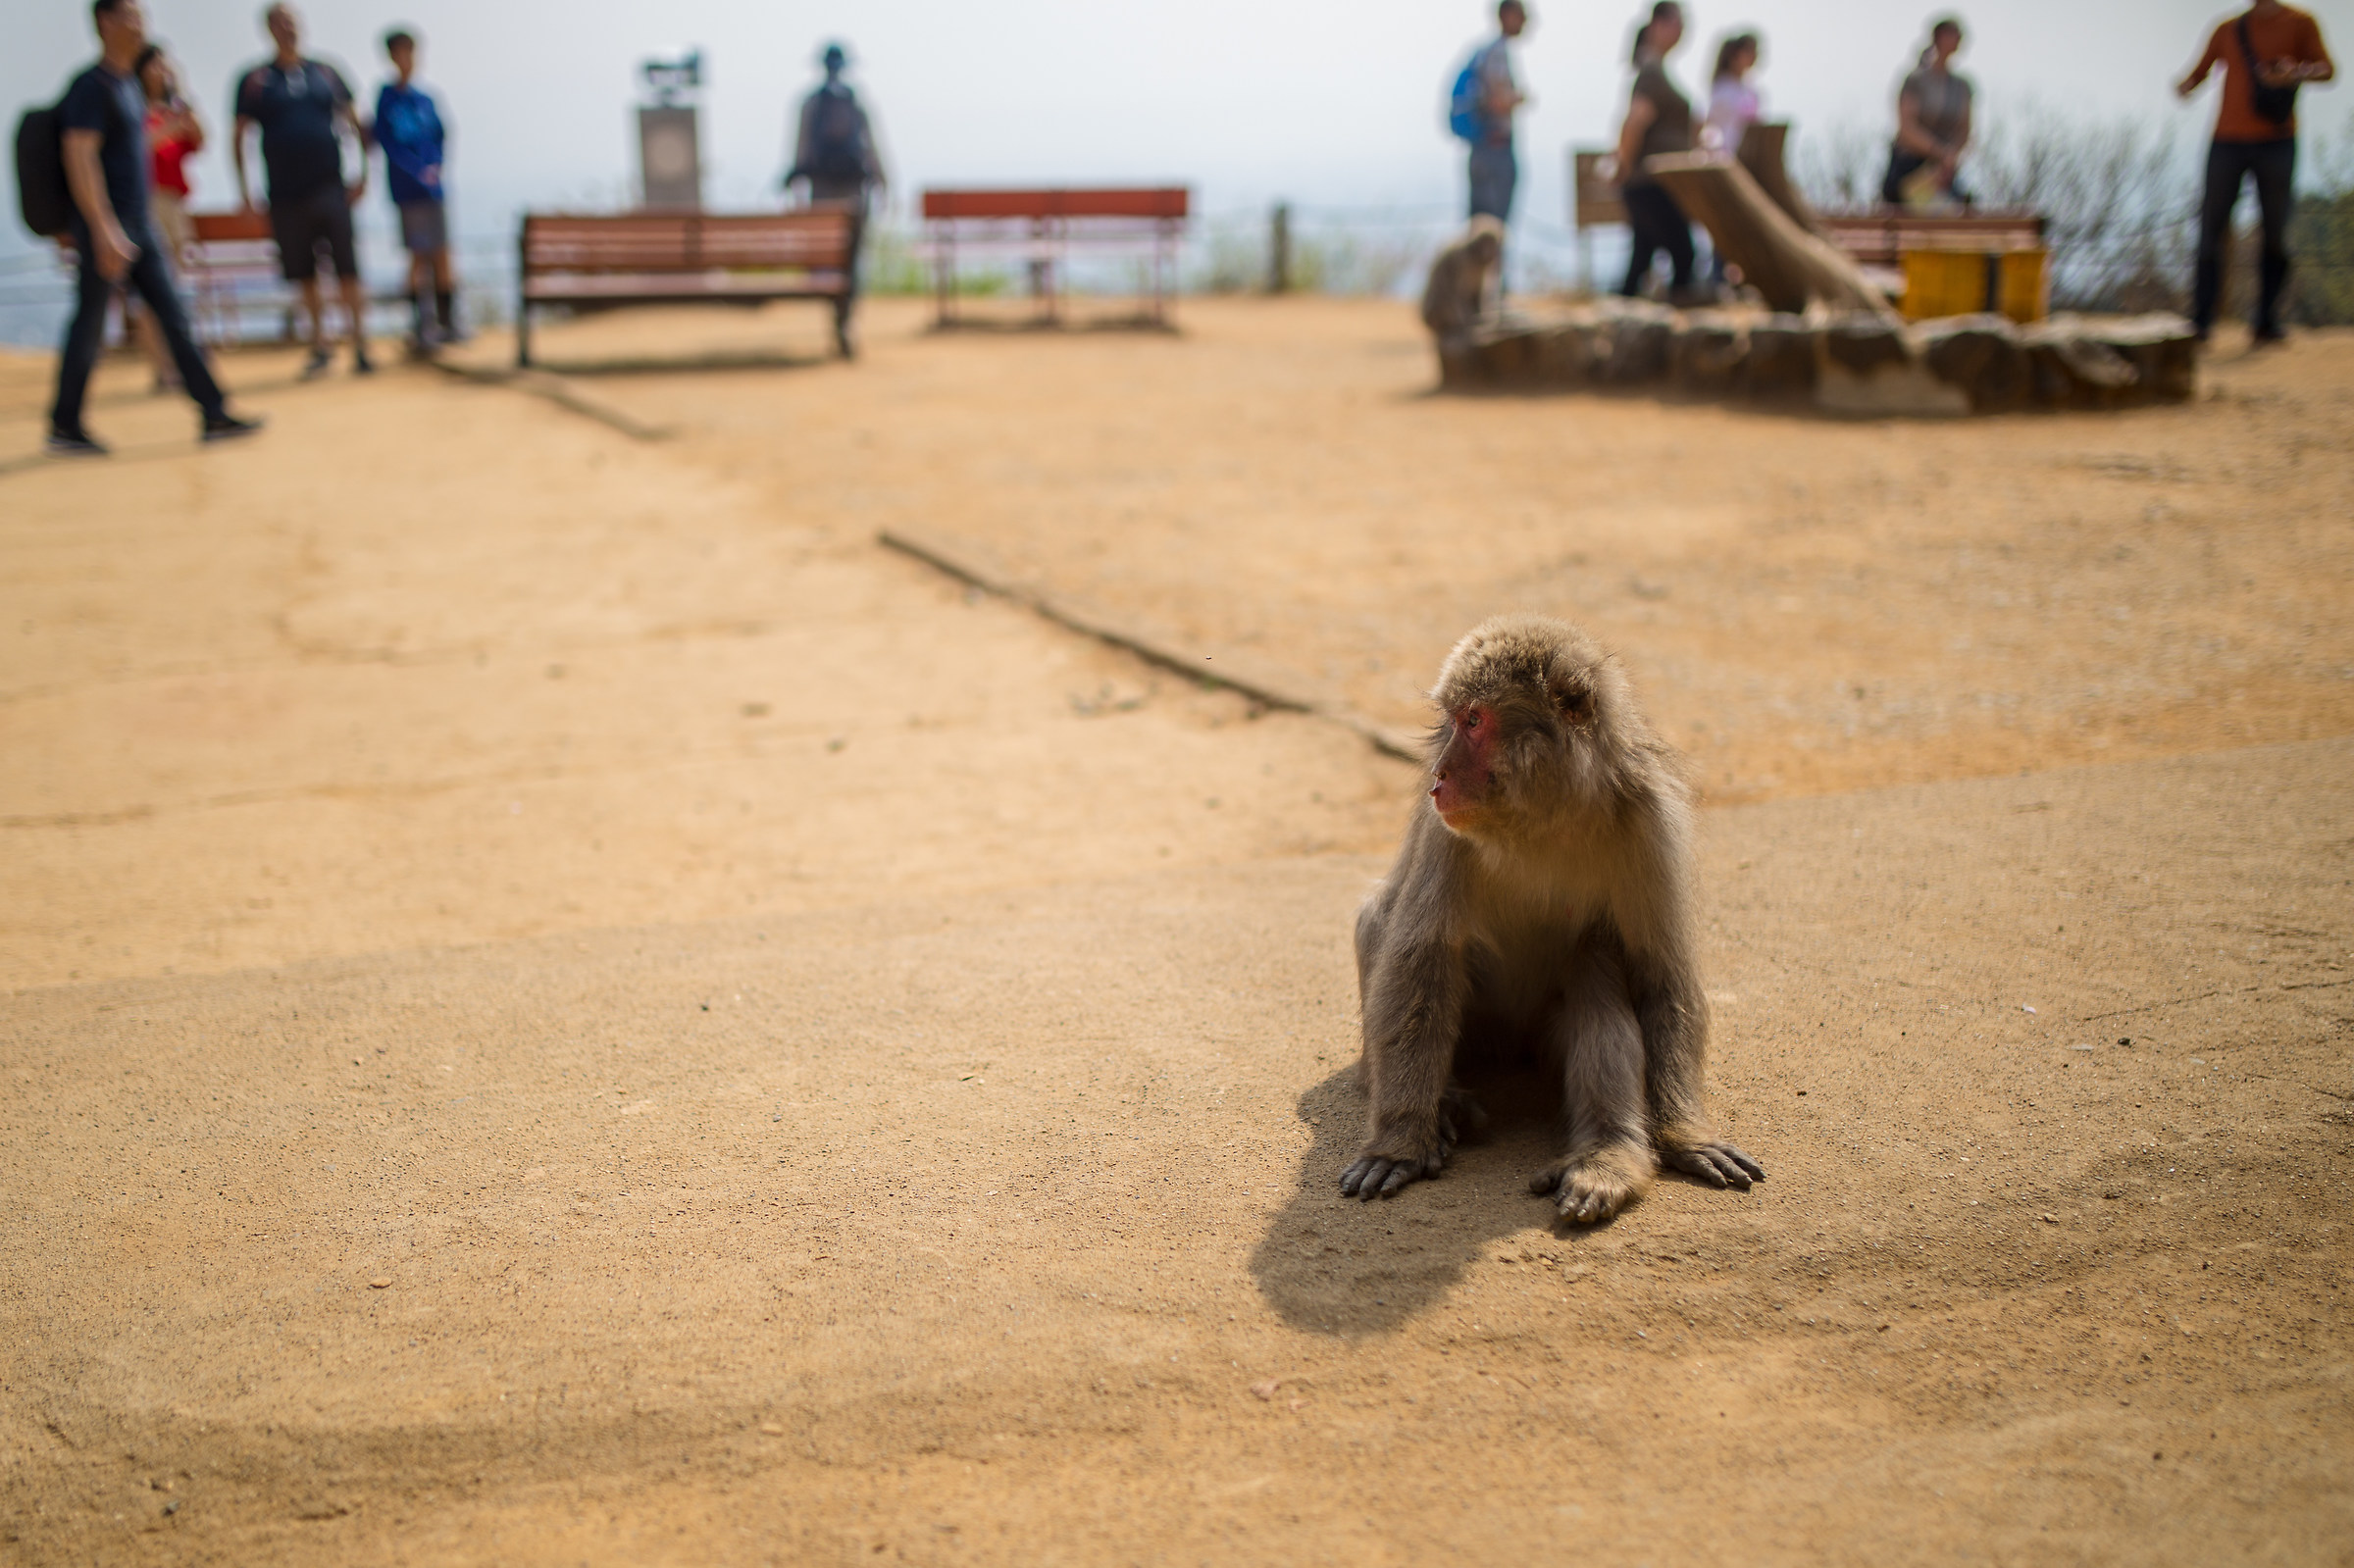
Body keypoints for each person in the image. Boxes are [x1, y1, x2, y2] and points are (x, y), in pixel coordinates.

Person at [48, 0, 263, 456]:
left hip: (140, 225)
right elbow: (79, 154)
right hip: (109, 226)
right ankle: (64, 424)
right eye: (130, 14)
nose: (140, 23)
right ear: (105, 22)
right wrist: (103, 227)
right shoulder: (92, 86)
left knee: (175, 315)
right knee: (89, 324)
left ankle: (214, 411)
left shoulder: (127, 85)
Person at [2177, 1, 2336, 345]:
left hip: (2277, 142)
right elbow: (2198, 72)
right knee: (2211, 228)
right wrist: (2185, 85)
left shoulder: (2300, 23)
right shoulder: (2227, 28)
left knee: (2276, 231)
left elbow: (2327, 70)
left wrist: (2293, 72)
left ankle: (2267, 320)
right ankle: (2201, 321)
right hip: (2226, 141)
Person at [233, 3, 372, 379]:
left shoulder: (326, 72)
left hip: (330, 186)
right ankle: (320, 345)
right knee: (304, 273)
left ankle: (360, 344)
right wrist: (246, 192)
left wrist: (364, 173)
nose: (287, 30)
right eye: (280, 24)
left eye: (292, 22)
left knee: (348, 269)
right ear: (268, 30)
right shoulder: (256, 80)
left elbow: (356, 122)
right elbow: (239, 134)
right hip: (285, 193)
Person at [786, 42, 885, 357]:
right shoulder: (856, 102)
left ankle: (834, 314)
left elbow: (801, 150)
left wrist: (797, 188)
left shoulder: (811, 104)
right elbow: (872, 146)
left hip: (823, 192)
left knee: (828, 256)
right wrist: (883, 180)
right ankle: (846, 317)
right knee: (852, 256)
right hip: (854, 192)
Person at [373, 26, 461, 352]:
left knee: (442, 253)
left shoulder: (426, 98)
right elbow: (388, 143)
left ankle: (448, 323)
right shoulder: (386, 98)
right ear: (392, 56)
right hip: (407, 191)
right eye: (400, 51)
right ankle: (420, 326)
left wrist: (436, 167)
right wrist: (417, 171)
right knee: (416, 256)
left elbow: (441, 134)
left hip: (434, 189)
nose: (407, 58)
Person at [1613, 1, 1701, 303]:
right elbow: (1634, 123)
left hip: (1650, 183)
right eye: (1677, 22)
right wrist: (1623, 168)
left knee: (1640, 262)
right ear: (1657, 25)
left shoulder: (1657, 70)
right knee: (1684, 254)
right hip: (1650, 182)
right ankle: (1681, 334)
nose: (1682, 30)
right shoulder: (1652, 73)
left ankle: (1624, 328)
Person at [132, 41, 203, 393]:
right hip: (148, 203)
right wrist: (167, 128)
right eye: (157, 65)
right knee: (153, 289)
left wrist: (184, 97)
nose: (162, 71)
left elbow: (198, 141)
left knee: (172, 288)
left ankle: (174, 363)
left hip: (174, 203)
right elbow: (135, 150)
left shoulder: (170, 109)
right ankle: (161, 368)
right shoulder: (133, 107)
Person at [1883, 18, 1973, 207]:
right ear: (1939, 37)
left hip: (1944, 175)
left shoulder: (1962, 86)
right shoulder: (1916, 81)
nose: (1958, 39)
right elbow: (1906, 128)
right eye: (1953, 33)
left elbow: (1965, 130)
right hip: (1909, 170)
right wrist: (1940, 152)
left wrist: (1949, 158)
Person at [1464, 1, 1531, 228]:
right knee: (1492, 230)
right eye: (1522, 15)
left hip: (1483, 149)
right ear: (1507, 16)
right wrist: (1519, 97)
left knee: (1480, 225)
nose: (1526, 21)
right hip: (1495, 148)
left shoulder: (1485, 52)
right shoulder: (1497, 52)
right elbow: (1498, 100)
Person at [1421, 214, 1506, 379]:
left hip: (1460, 311)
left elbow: (1480, 298)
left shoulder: (1484, 264)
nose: (1488, 251)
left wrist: (1485, 320)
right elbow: (1456, 297)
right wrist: (1468, 325)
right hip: (1440, 308)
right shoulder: (1462, 258)